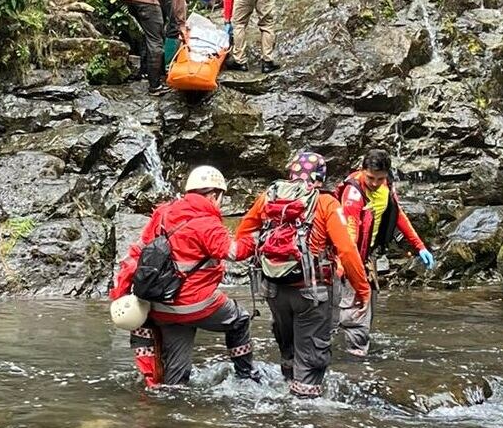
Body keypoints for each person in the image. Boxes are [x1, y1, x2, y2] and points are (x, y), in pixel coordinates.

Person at [233, 152, 371, 398]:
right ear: (320, 178)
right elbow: (347, 250)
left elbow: (243, 232)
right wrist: (362, 289)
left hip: (273, 289)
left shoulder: (269, 197)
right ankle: (305, 409)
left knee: (288, 346)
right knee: (312, 353)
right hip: (313, 291)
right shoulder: (326, 203)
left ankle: (285, 391)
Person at [109, 165, 259, 387]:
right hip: (196, 304)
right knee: (239, 319)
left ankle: (168, 409)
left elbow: (135, 256)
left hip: (161, 307)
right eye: (220, 197)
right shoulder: (207, 222)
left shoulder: (162, 214)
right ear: (212, 195)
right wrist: (253, 239)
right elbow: (234, 252)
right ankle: (246, 378)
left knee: (176, 378)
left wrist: (120, 295)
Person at [336, 149, 434, 357]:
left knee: (368, 303)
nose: (374, 183)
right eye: (370, 177)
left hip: (367, 255)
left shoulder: (386, 187)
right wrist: (347, 266)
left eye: (379, 179)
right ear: (362, 170)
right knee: (357, 306)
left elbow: (398, 216)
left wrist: (420, 246)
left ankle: (353, 348)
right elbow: (349, 234)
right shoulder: (353, 194)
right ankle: (354, 360)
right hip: (349, 256)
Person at [124, 0, 191, 94]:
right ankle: (155, 86)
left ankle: (147, 73)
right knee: (156, 42)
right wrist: (181, 23)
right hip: (147, 0)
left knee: (150, 36)